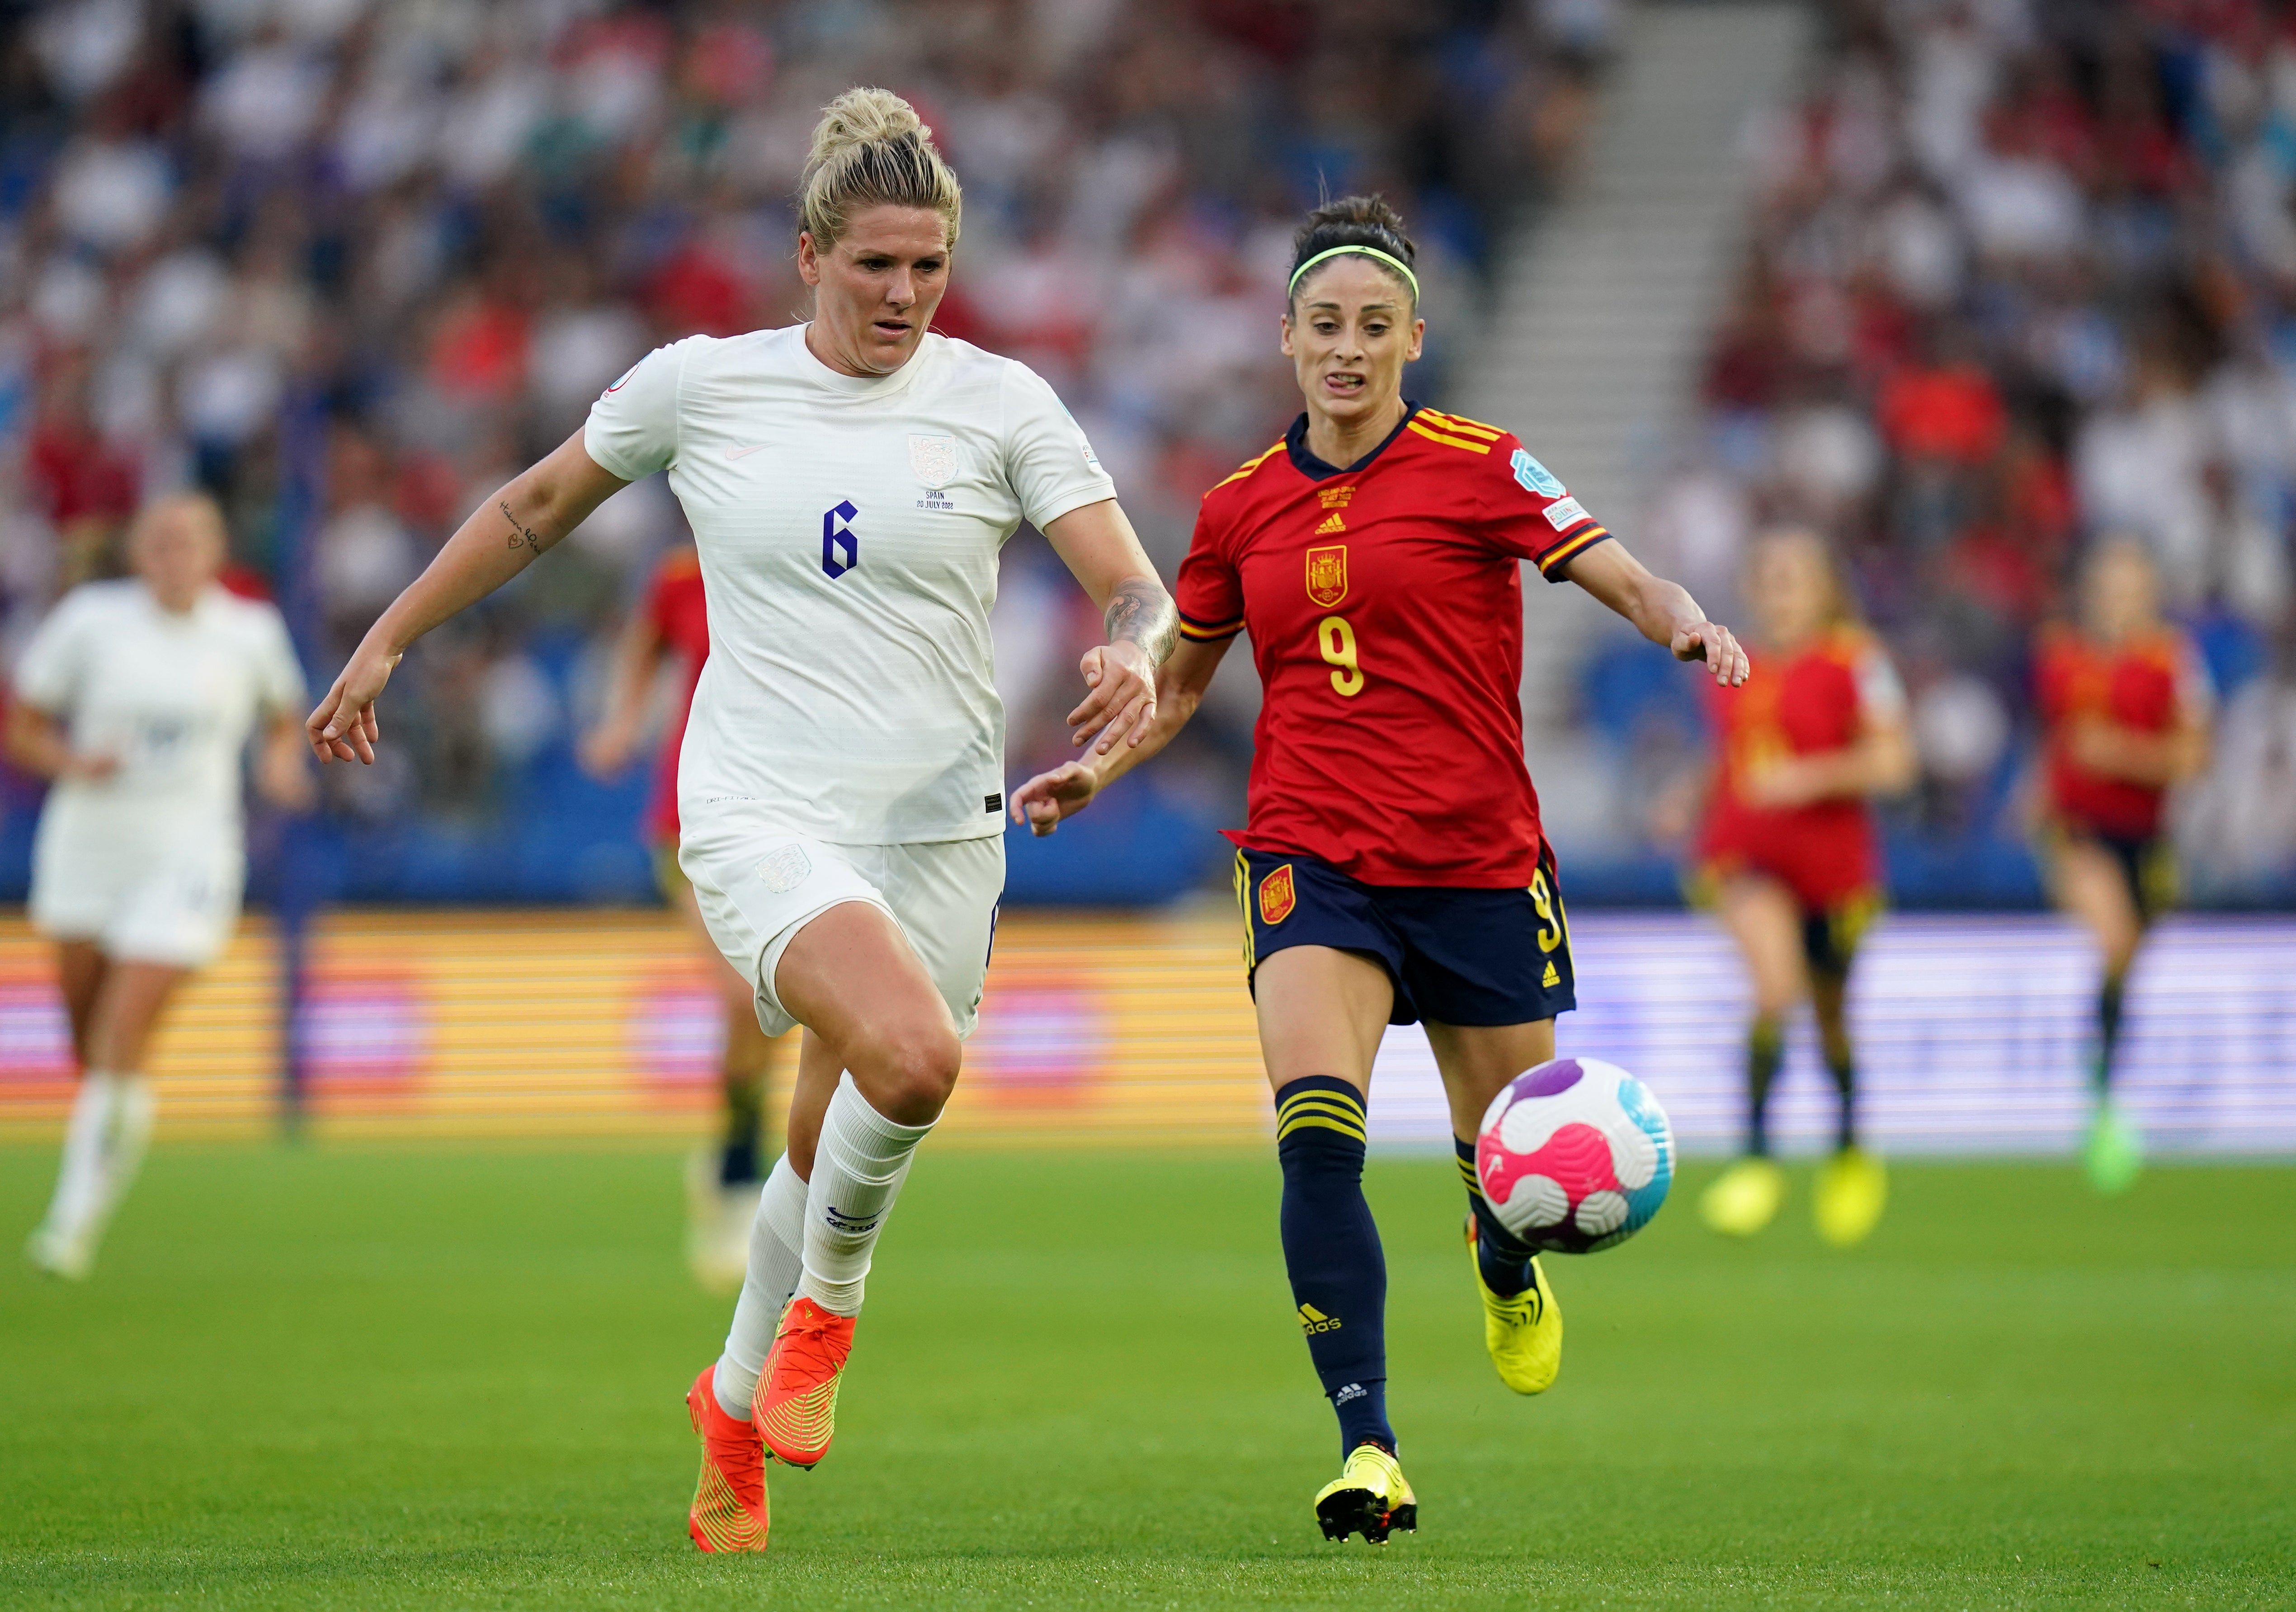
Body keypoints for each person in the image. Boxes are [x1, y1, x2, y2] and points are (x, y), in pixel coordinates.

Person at [304, 89, 1174, 1554]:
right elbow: (532, 506)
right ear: (808, 256)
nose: (903, 295)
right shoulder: (701, 387)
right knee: (912, 1052)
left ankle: (729, 1398)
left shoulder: (1002, 403)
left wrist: (1134, 651)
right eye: (875, 265)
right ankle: (827, 1315)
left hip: (941, 825)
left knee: (839, 1118)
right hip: (762, 803)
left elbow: (1136, 586)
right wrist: (392, 635)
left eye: (927, 267)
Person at [1009, 196, 1747, 1545]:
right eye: (1324, 326)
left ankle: (1507, 1257)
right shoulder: (1237, 507)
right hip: (1310, 855)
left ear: (1413, 338)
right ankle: (1368, 1442)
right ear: (1288, 339)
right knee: (1315, 1132)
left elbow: (1613, 570)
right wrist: (1095, 771)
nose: (1347, 349)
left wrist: (1686, 621)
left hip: (1475, 860)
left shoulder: (1483, 465)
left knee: (1502, 1157)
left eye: (1374, 327)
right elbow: (1177, 686)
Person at [15, 492, 312, 1279]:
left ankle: (70, 1226)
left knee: (123, 1026)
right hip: (89, 844)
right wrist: (73, 765)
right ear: (139, 551)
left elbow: (285, 714)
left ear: (214, 552)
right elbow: (25, 722)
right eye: (161, 543)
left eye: (189, 543)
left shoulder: (249, 630)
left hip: (191, 853)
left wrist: (280, 766)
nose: (174, 557)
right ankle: (104, 1154)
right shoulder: (90, 620)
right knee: (93, 1044)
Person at [1683, 529, 1914, 1248]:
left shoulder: (1857, 660)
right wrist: (1688, 800)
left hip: (1836, 874)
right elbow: (1731, 760)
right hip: (1746, 862)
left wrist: (1806, 779)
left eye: (1796, 574)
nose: (1781, 587)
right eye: (1770, 574)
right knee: (1774, 987)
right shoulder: (1730, 663)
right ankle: (1756, 1161)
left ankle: (1848, 1149)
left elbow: (1895, 762)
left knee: (1831, 1016)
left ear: (1824, 587)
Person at [582, 542, 790, 1292]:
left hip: (794, 814)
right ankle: (738, 1182)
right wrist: (623, 722)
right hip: (694, 817)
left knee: (775, 1010)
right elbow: (645, 646)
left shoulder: (815, 548)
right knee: (747, 994)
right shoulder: (679, 573)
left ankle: (738, 1144)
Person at [2032, 537, 2211, 1193]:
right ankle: (2100, 1092)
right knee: (2113, 939)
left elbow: (2192, 757)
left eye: (2130, 589)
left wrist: (2119, 753)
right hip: (2081, 833)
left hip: (2147, 837)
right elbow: (2056, 741)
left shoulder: (2172, 662)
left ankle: (2107, 1082)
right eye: (2107, 588)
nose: (2117, 603)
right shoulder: (2063, 657)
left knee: (2129, 958)